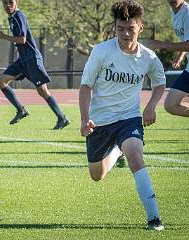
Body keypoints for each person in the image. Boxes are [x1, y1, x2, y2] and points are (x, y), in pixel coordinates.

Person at [79, 0, 166, 231]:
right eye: (120, 28)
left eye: (131, 28)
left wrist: (151, 106)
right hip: (100, 122)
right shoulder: (101, 52)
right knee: (96, 175)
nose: (126, 34)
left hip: (129, 119)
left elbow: (160, 83)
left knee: (136, 156)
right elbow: (86, 86)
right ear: (114, 27)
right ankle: (116, 151)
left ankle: (154, 217)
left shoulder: (149, 57)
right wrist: (84, 118)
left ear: (141, 27)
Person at [0, 0, 69, 129]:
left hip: (32, 59)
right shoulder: (12, 18)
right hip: (23, 60)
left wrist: (4, 36)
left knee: (43, 91)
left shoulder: (19, 16)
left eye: (11, 2)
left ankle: (62, 118)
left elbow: (22, 39)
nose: (8, 5)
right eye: (5, 3)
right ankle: (21, 110)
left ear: (16, 2)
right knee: (2, 82)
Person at [148, 0, 189, 117]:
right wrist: (180, 56)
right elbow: (185, 39)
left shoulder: (187, 12)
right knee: (171, 105)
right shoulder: (175, 12)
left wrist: (161, 44)